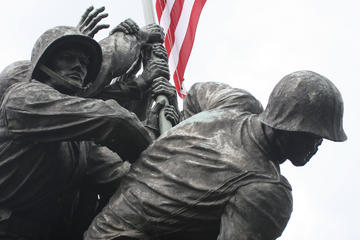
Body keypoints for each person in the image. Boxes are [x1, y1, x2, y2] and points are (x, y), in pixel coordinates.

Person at [84, 71, 346, 240]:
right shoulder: (266, 191)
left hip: (99, 228)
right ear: (288, 125)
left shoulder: (237, 102)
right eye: (313, 134)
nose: (318, 144)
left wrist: (181, 135)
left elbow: (197, 94)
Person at [0, 9, 178, 240]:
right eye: (68, 58)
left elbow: (120, 176)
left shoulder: (82, 143)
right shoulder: (24, 98)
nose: (79, 66)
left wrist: (165, 136)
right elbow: (113, 120)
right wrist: (165, 154)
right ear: (45, 65)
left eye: (84, 62)